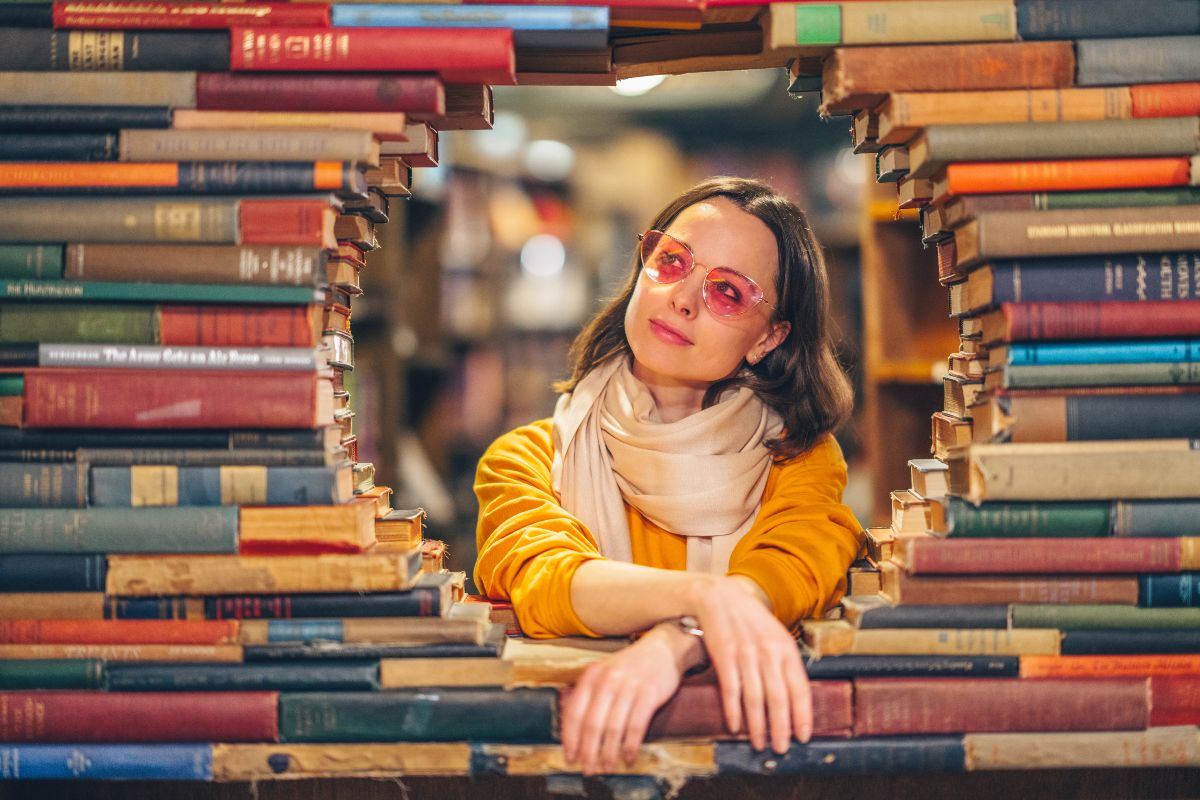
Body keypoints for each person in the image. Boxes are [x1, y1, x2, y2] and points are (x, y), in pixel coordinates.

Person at [473, 176, 864, 774]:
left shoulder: (799, 460)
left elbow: (790, 572)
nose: (682, 299)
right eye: (672, 262)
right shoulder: (526, 459)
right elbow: (548, 583)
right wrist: (707, 598)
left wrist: (674, 643)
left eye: (728, 293)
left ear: (769, 338)